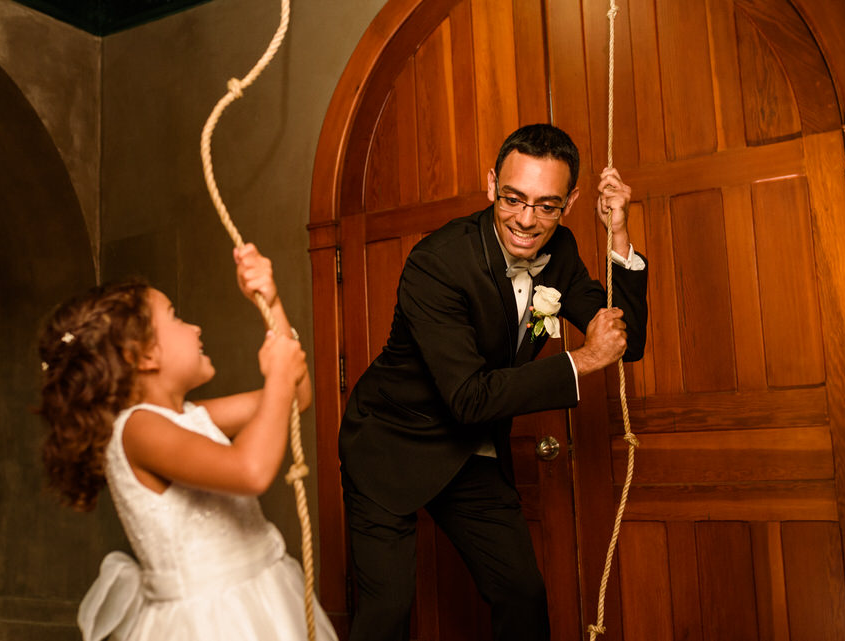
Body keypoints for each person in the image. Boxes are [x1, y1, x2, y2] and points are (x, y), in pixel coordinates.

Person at [338, 123, 649, 641]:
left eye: (547, 206)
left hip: (468, 451)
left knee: (522, 594)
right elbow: (468, 397)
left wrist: (618, 234)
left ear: (570, 202)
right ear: (491, 186)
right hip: (390, 446)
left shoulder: (563, 252)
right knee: (386, 613)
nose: (527, 220)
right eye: (514, 199)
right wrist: (582, 361)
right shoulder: (437, 263)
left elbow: (625, 342)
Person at [37, 244, 338, 641]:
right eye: (175, 318)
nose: (194, 328)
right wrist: (279, 378)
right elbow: (250, 471)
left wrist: (272, 302)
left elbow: (295, 399)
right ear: (141, 356)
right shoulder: (137, 430)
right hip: (212, 621)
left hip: (263, 591)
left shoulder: (193, 418)